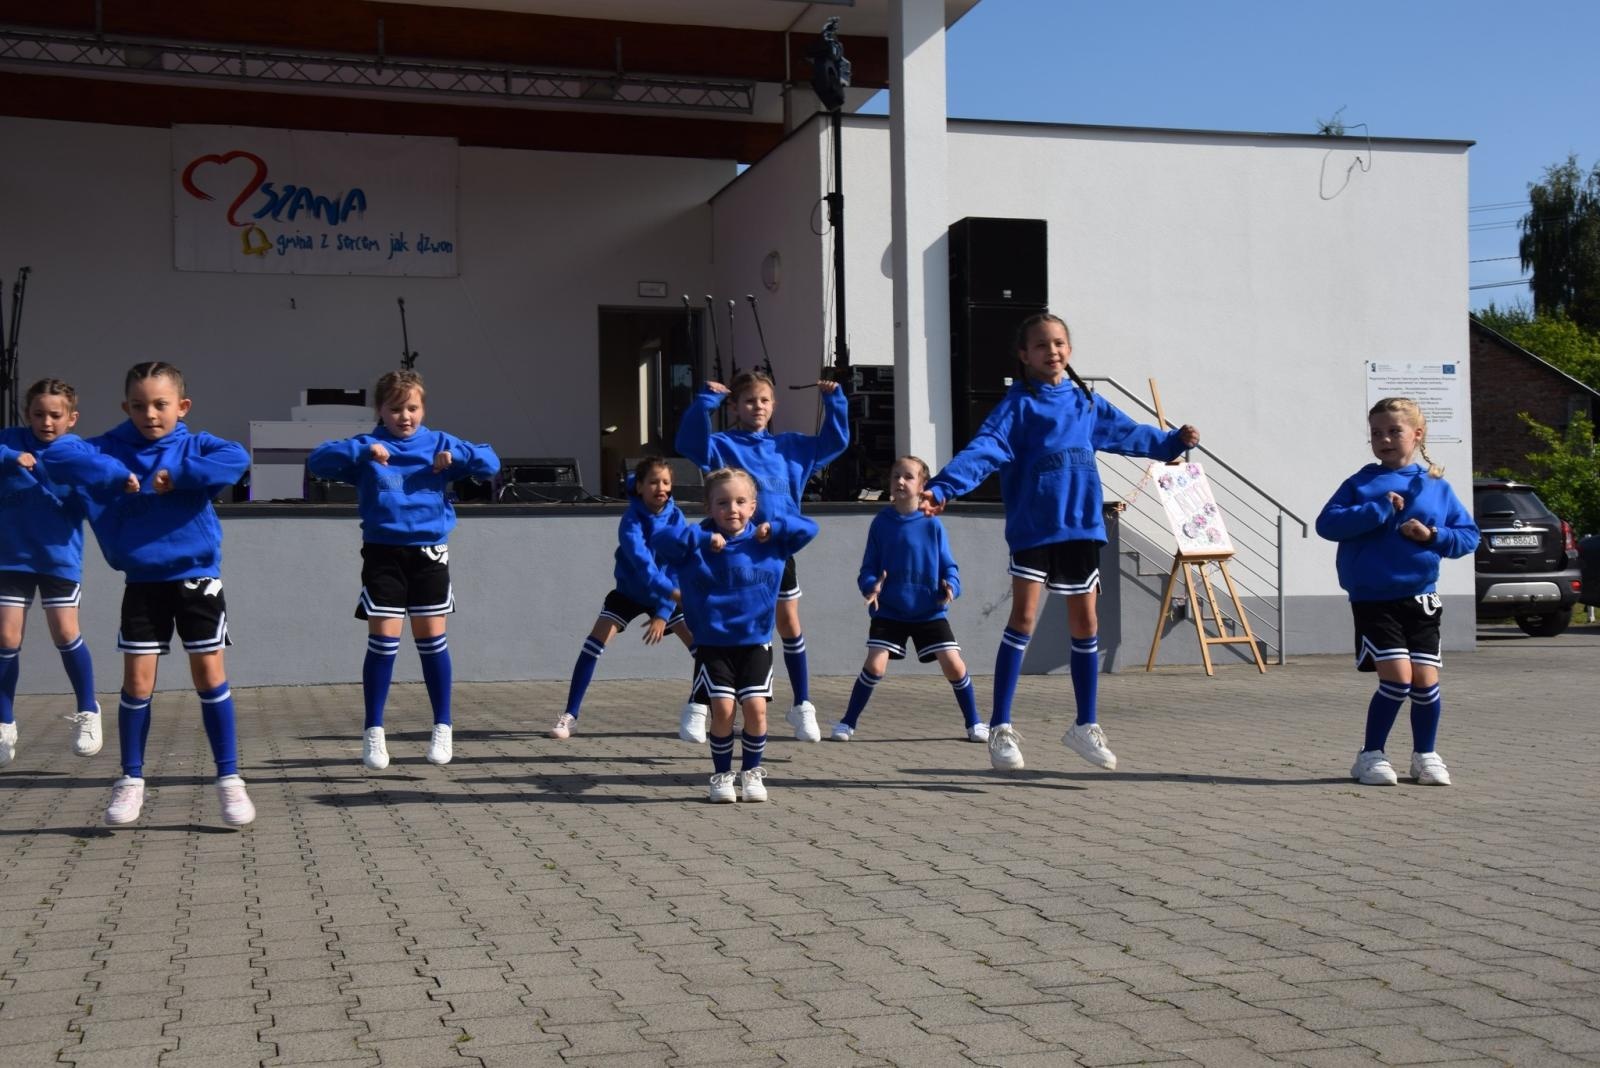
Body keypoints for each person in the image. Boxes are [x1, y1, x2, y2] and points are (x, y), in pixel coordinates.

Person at [921, 311, 1199, 772]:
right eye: (1042, 345)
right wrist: (945, 486)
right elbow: (984, 449)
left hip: (1082, 527)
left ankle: (1085, 725)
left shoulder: (1086, 403)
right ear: (1023, 355)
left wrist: (1171, 442)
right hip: (1035, 528)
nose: (1052, 351)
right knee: (1024, 618)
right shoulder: (1017, 407)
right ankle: (1001, 728)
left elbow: (1130, 433)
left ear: (1069, 351)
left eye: (1059, 344)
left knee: (1086, 624)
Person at [39, 362, 254, 827]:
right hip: (141, 582)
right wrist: (113, 473)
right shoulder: (107, 447)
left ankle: (229, 779)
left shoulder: (197, 446)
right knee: (136, 685)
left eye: (160, 404)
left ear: (182, 406)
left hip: (197, 578)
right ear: (125, 407)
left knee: (209, 677)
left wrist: (178, 476)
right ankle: (131, 780)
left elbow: (237, 458)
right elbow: (55, 457)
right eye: (138, 405)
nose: (150, 414)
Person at [307, 369, 500, 771]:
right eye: (395, 409)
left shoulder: (440, 443)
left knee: (432, 641)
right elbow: (319, 460)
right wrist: (363, 453)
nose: (405, 416)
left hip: (429, 553)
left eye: (412, 408)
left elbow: (491, 461)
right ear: (380, 410)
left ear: (423, 408)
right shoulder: (368, 444)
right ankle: (373, 732)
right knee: (383, 643)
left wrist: (458, 457)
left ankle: (443, 726)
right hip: (383, 553)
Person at [676, 370, 847, 742]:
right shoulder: (721, 445)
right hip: (726, 550)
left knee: (788, 623)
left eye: (765, 400)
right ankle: (698, 705)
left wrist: (835, 402)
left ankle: (802, 705)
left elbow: (835, 442)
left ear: (774, 406)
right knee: (717, 625)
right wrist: (706, 402)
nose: (758, 407)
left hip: (774, 553)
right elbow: (688, 442)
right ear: (735, 406)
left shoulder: (791, 447)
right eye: (750, 400)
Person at [1315, 397, 1478, 786]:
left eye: (1394, 431)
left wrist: (1432, 535)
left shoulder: (1436, 485)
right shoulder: (1361, 483)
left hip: (1421, 598)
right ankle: (1370, 755)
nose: (1384, 439)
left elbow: (1469, 536)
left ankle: (1425, 755)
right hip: (1374, 599)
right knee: (1398, 680)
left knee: (1426, 682)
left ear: (1417, 434)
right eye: (1376, 433)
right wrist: (1376, 511)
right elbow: (1327, 524)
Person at [652, 467, 817, 803]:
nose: (733, 509)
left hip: (756, 644)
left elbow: (810, 528)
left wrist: (777, 526)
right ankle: (722, 776)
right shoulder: (696, 548)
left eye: (741, 502)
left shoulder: (769, 543)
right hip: (713, 646)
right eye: (723, 503)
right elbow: (659, 538)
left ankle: (752, 774)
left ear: (754, 507)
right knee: (723, 711)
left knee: (756, 710)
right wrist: (701, 537)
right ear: (709, 508)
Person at [831, 455, 985, 743]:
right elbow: (868, 567)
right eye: (895, 476)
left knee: (954, 665)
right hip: (889, 611)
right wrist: (870, 586)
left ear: (923, 485)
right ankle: (847, 722)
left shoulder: (933, 525)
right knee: (875, 665)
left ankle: (974, 723)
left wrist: (951, 586)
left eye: (908, 476)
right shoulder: (881, 523)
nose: (900, 481)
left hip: (930, 611)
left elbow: (950, 567)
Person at [553, 456, 706, 742]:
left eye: (666, 482)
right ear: (640, 488)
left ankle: (705, 710)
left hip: (664, 596)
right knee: (593, 644)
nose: (660, 487)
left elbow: (677, 568)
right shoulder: (631, 520)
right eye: (653, 482)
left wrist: (663, 613)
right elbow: (643, 567)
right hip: (629, 592)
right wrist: (671, 596)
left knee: (704, 650)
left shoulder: (677, 519)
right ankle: (570, 715)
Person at [0, 379, 104, 765]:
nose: (46, 422)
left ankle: (89, 710)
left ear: (71, 418)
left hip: (59, 557)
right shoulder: (9, 440)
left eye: (55, 415)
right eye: (39, 414)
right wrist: (11, 457)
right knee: (6, 637)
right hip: (11, 557)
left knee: (65, 631)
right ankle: (4, 722)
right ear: (27, 415)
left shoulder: (77, 451)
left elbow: (104, 481)